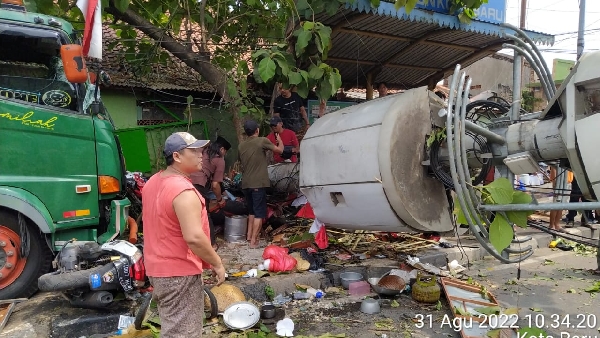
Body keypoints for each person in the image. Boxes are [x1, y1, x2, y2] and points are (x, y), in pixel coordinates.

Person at [142, 132, 225, 337]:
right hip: (178, 272)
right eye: (194, 150)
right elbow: (194, 237)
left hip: (156, 268)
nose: (201, 155)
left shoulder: (153, 181)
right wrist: (217, 263)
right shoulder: (183, 191)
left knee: (173, 327)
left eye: (201, 150)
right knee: (183, 332)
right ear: (177, 156)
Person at [238, 120, 284, 248]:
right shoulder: (261, 140)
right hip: (257, 183)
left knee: (252, 211)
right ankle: (254, 241)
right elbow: (279, 151)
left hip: (246, 183)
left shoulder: (241, 145)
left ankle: (249, 236)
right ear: (257, 130)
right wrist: (279, 140)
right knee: (259, 213)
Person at [191, 136, 231, 250]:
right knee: (204, 213)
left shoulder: (203, 150)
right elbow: (215, 185)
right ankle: (212, 244)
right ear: (222, 149)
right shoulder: (220, 159)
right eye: (226, 152)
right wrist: (220, 199)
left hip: (185, 180)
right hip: (199, 184)